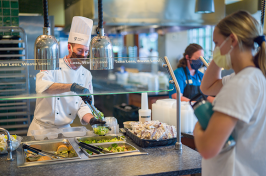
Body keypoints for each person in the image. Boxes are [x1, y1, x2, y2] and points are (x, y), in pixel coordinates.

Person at [193, 11, 266, 176]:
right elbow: (208, 87)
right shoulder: (254, 77)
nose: (215, 50)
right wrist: (218, 59)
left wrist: (200, 124)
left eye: (217, 43)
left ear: (232, 39)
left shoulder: (240, 84)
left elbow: (208, 148)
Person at [27, 16, 104, 136]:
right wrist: (72, 87)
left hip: (66, 131)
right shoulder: (52, 65)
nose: (83, 55)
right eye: (79, 51)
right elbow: (41, 87)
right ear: (69, 47)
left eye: (86, 51)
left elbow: (84, 105)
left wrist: (92, 120)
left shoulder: (86, 74)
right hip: (41, 130)